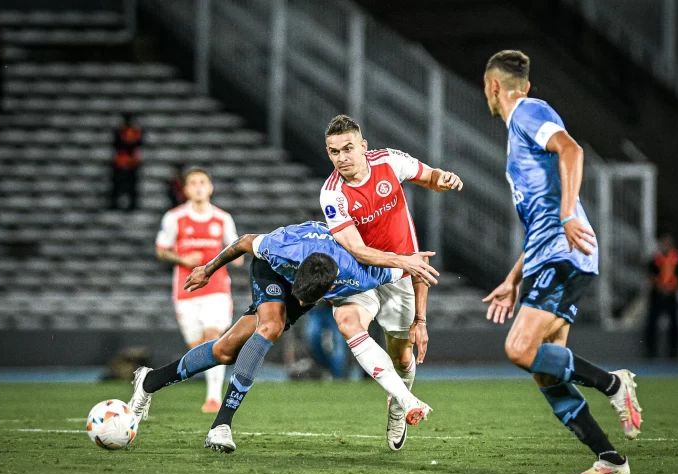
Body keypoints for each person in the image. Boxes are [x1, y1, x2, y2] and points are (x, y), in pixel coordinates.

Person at [129, 221, 435, 452]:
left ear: (332, 291)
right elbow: (243, 242)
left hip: (316, 275)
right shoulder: (281, 248)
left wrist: (419, 319)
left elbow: (416, 266)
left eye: (308, 302)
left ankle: (150, 381)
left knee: (225, 351)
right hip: (272, 273)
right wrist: (207, 270)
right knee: (271, 326)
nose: (301, 305)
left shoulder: (362, 272)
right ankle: (221, 425)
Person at [481, 50, 642, 474]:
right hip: (544, 254)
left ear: (493, 86)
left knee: (520, 349)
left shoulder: (528, 112)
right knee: (546, 370)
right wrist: (513, 278)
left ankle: (613, 383)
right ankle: (610, 459)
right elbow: (541, 214)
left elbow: (572, 151)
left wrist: (570, 213)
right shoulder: (520, 129)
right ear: (525, 83)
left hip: (562, 252)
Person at [319, 114, 463, 451]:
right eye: (333, 151)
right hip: (362, 275)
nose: (342, 158)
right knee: (347, 320)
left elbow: (429, 176)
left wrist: (445, 178)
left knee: (402, 357)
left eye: (348, 149)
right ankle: (408, 401)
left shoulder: (388, 161)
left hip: (400, 278)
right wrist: (405, 262)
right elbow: (357, 250)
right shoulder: (332, 195)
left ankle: (396, 406)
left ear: (363, 147)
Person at [155, 167, 242, 412]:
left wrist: (233, 257)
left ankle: (214, 398)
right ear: (185, 189)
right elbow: (161, 249)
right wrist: (182, 259)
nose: (198, 187)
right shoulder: (174, 218)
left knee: (213, 338)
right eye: (193, 183)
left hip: (217, 288)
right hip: (186, 291)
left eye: (203, 182)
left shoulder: (222, 219)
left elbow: (235, 249)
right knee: (197, 347)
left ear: (210, 187)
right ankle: (211, 390)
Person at [645, 232, 678, 359]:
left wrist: (673, 288)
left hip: (672, 294)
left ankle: (674, 352)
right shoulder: (656, 258)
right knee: (652, 323)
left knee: (675, 324)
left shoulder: (677, 258)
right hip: (658, 294)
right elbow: (651, 275)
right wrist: (660, 287)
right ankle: (651, 352)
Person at [303, 302, 347, 379]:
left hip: (336, 307)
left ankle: (338, 377)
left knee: (339, 344)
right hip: (316, 309)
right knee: (312, 338)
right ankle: (327, 367)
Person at [109, 113, 143, 211]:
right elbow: (116, 143)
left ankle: (132, 205)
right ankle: (115, 204)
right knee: (117, 185)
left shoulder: (135, 131)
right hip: (121, 161)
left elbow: (139, 143)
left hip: (131, 161)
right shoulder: (120, 131)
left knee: (132, 186)